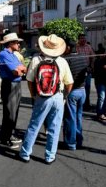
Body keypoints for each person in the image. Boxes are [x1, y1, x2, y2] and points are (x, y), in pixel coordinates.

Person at [19, 34, 73, 164]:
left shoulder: (36, 59)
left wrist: (33, 95)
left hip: (42, 97)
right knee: (54, 127)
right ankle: (50, 156)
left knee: (35, 125)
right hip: (58, 96)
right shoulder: (62, 61)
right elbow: (69, 83)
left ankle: (25, 153)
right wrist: (64, 96)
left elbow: (30, 80)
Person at [0, 33, 27, 149]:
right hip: (9, 83)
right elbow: (16, 71)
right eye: (17, 42)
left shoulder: (13, 55)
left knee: (14, 112)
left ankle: (10, 135)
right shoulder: (4, 54)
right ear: (10, 43)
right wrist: (20, 70)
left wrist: (21, 69)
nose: (19, 44)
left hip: (15, 83)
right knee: (9, 113)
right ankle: (5, 139)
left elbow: (23, 68)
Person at [63, 43, 88, 150]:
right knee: (78, 117)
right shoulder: (82, 56)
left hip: (72, 91)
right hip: (82, 91)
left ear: (69, 48)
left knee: (70, 119)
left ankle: (71, 143)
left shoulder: (66, 59)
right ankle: (79, 141)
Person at [76, 34, 95, 110]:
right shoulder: (76, 47)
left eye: (84, 38)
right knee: (78, 87)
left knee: (87, 87)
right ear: (78, 39)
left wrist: (91, 66)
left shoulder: (88, 47)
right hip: (78, 70)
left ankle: (86, 104)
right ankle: (79, 103)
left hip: (87, 70)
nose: (83, 40)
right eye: (81, 38)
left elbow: (93, 57)